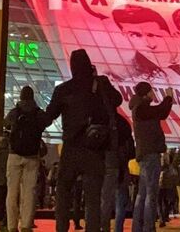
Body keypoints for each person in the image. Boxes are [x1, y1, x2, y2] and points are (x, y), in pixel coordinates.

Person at [43, 49, 123, 232]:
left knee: (63, 192)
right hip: (94, 148)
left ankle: (62, 227)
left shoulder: (63, 89)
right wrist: (97, 80)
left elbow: (48, 117)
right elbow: (117, 100)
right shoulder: (100, 84)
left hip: (71, 148)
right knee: (93, 199)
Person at [129, 82, 174, 232]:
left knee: (142, 194)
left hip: (145, 154)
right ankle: (148, 227)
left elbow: (160, 112)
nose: (154, 94)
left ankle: (138, 226)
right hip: (150, 154)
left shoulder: (139, 108)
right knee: (150, 193)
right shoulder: (142, 109)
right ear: (146, 93)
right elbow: (161, 111)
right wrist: (168, 98)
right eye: (152, 91)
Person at [112, 5, 180, 83]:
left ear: (173, 35)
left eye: (154, 35)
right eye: (135, 35)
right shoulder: (125, 75)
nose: (150, 45)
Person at [4, 86, 46, 232]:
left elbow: (6, 124)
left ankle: (11, 225)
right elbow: (46, 122)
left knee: (12, 192)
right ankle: (26, 225)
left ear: (21, 97)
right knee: (29, 192)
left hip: (14, 155)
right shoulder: (38, 113)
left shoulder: (14, 112)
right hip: (32, 156)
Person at [101, 113, 136, 232]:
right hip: (122, 166)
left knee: (105, 200)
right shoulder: (123, 123)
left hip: (106, 163)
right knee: (120, 202)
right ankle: (118, 228)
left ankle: (104, 227)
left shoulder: (100, 118)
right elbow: (132, 151)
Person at [158, 150, 178, 227]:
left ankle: (161, 218)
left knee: (160, 202)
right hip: (167, 184)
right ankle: (164, 217)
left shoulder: (159, 159)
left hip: (160, 184)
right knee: (166, 201)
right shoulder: (170, 167)